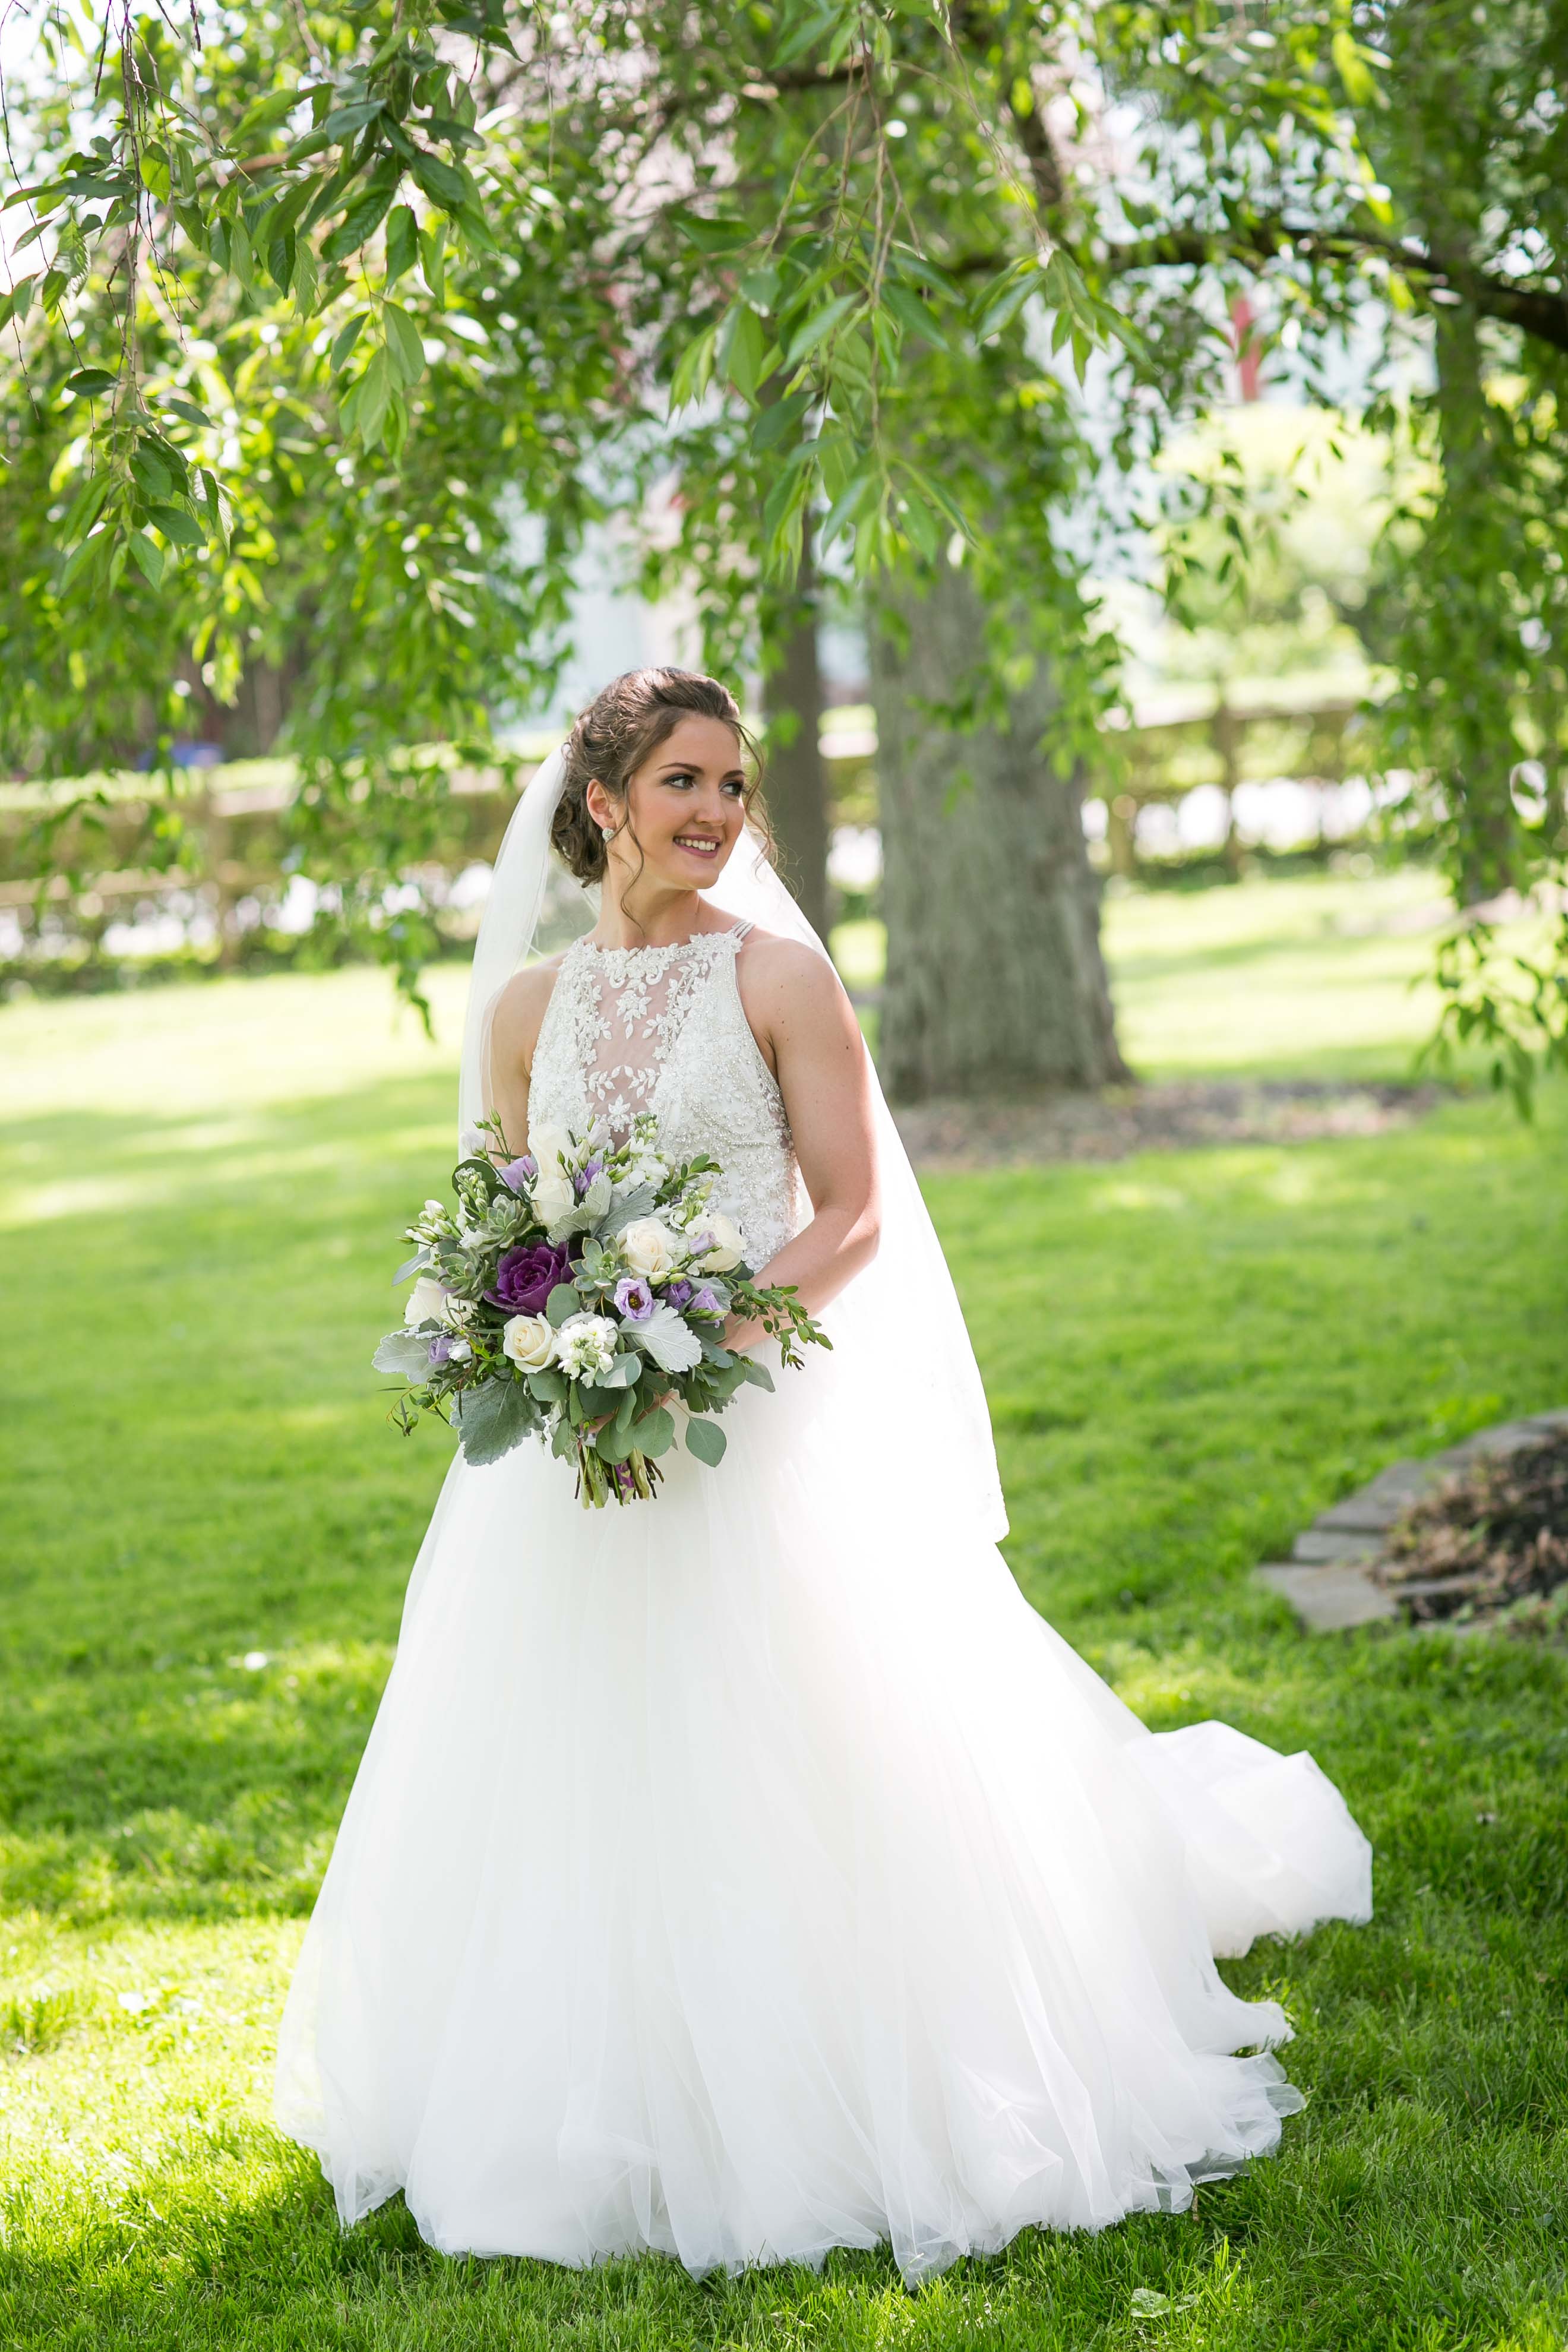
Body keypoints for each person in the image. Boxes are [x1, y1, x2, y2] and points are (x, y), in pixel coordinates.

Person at [276, 666, 1371, 2285]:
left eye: (734, 786)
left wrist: (694, 1344)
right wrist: (544, 1348)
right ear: (603, 802)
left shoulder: (778, 977)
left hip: (759, 1421)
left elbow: (850, 1215)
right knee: (578, 1761)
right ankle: (593, 2086)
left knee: (820, 1749)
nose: (718, 813)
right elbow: (510, 1225)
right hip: (578, 1457)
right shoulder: (522, 1012)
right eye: (684, 783)